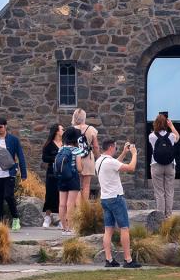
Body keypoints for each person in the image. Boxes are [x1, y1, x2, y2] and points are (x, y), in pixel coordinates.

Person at [95, 138, 141, 269]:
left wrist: (124, 153)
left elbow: (115, 164)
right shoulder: (109, 162)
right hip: (116, 198)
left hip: (105, 199)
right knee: (124, 228)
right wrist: (134, 153)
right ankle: (128, 259)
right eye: (115, 148)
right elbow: (131, 168)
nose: (116, 150)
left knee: (108, 229)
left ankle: (109, 259)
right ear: (110, 148)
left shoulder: (100, 160)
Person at [148, 113, 180, 218]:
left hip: (156, 165)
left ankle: (160, 216)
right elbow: (178, 137)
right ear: (166, 124)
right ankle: (168, 216)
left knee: (159, 192)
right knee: (169, 191)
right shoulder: (171, 136)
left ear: (155, 124)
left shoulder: (151, 136)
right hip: (170, 165)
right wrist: (171, 126)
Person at [54, 127, 85, 235]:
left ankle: (64, 228)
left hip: (61, 178)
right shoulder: (77, 150)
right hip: (72, 178)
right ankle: (70, 228)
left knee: (62, 204)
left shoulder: (61, 149)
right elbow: (80, 168)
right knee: (70, 204)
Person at [71, 109, 100, 203]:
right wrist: (98, 157)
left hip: (75, 158)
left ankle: (77, 208)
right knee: (86, 185)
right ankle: (84, 208)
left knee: (76, 185)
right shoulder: (91, 129)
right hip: (88, 158)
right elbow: (95, 146)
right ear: (84, 117)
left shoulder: (71, 130)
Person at [41, 123, 63, 228]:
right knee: (50, 195)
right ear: (57, 131)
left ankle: (60, 219)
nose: (63, 131)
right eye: (62, 129)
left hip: (63, 173)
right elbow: (44, 158)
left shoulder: (65, 144)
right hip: (51, 174)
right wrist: (56, 158)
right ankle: (47, 217)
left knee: (62, 196)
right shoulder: (49, 145)